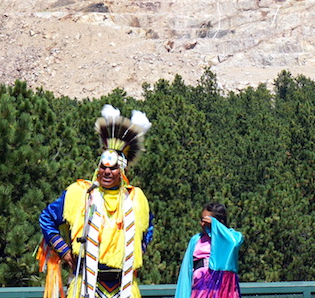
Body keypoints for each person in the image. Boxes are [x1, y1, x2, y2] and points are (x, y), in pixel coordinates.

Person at [39, 105, 154, 298]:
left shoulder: (135, 198)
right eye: (103, 167)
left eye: (113, 168)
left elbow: (147, 228)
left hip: (124, 284)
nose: (107, 172)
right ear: (98, 168)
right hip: (85, 282)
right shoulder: (80, 193)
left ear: (122, 172)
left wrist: (135, 251)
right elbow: (46, 218)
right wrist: (64, 250)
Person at [174, 202, 243, 298]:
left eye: (206, 221)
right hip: (200, 287)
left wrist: (215, 226)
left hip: (223, 287)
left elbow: (233, 243)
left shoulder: (232, 236)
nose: (202, 224)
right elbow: (186, 270)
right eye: (201, 220)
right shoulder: (197, 239)